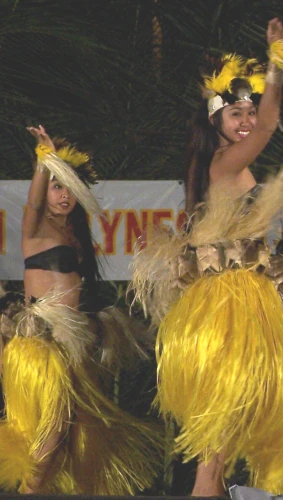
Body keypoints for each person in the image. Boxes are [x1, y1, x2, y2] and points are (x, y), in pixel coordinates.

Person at [130, 18, 283, 497]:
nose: (248, 119)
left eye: (250, 110)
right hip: (229, 310)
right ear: (216, 121)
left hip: (245, 304)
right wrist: (277, 65)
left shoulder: (232, 169)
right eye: (237, 113)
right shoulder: (223, 163)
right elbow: (272, 124)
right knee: (220, 441)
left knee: (231, 437)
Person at [0, 126, 160, 495]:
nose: (64, 196)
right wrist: (45, 160)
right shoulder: (36, 228)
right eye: (58, 186)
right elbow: (36, 202)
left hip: (70, 347)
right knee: (53, 430)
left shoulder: (74, 234)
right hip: (42, 346)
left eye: (71, 188)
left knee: (75, 436)